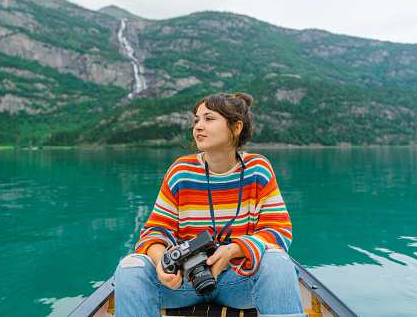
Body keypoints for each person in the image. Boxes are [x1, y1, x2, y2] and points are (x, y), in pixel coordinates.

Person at [114, 92, 306, 317]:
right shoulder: (181, 172)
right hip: (183, 283)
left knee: (278, 261)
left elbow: (278, 232)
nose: (198, 127)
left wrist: (234, 250)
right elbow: (155, 231)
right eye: (196, 120)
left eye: (209, 119)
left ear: (235, 128)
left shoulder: (258, 170)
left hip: (239, 280)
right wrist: (162, 261)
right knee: (130, 267)